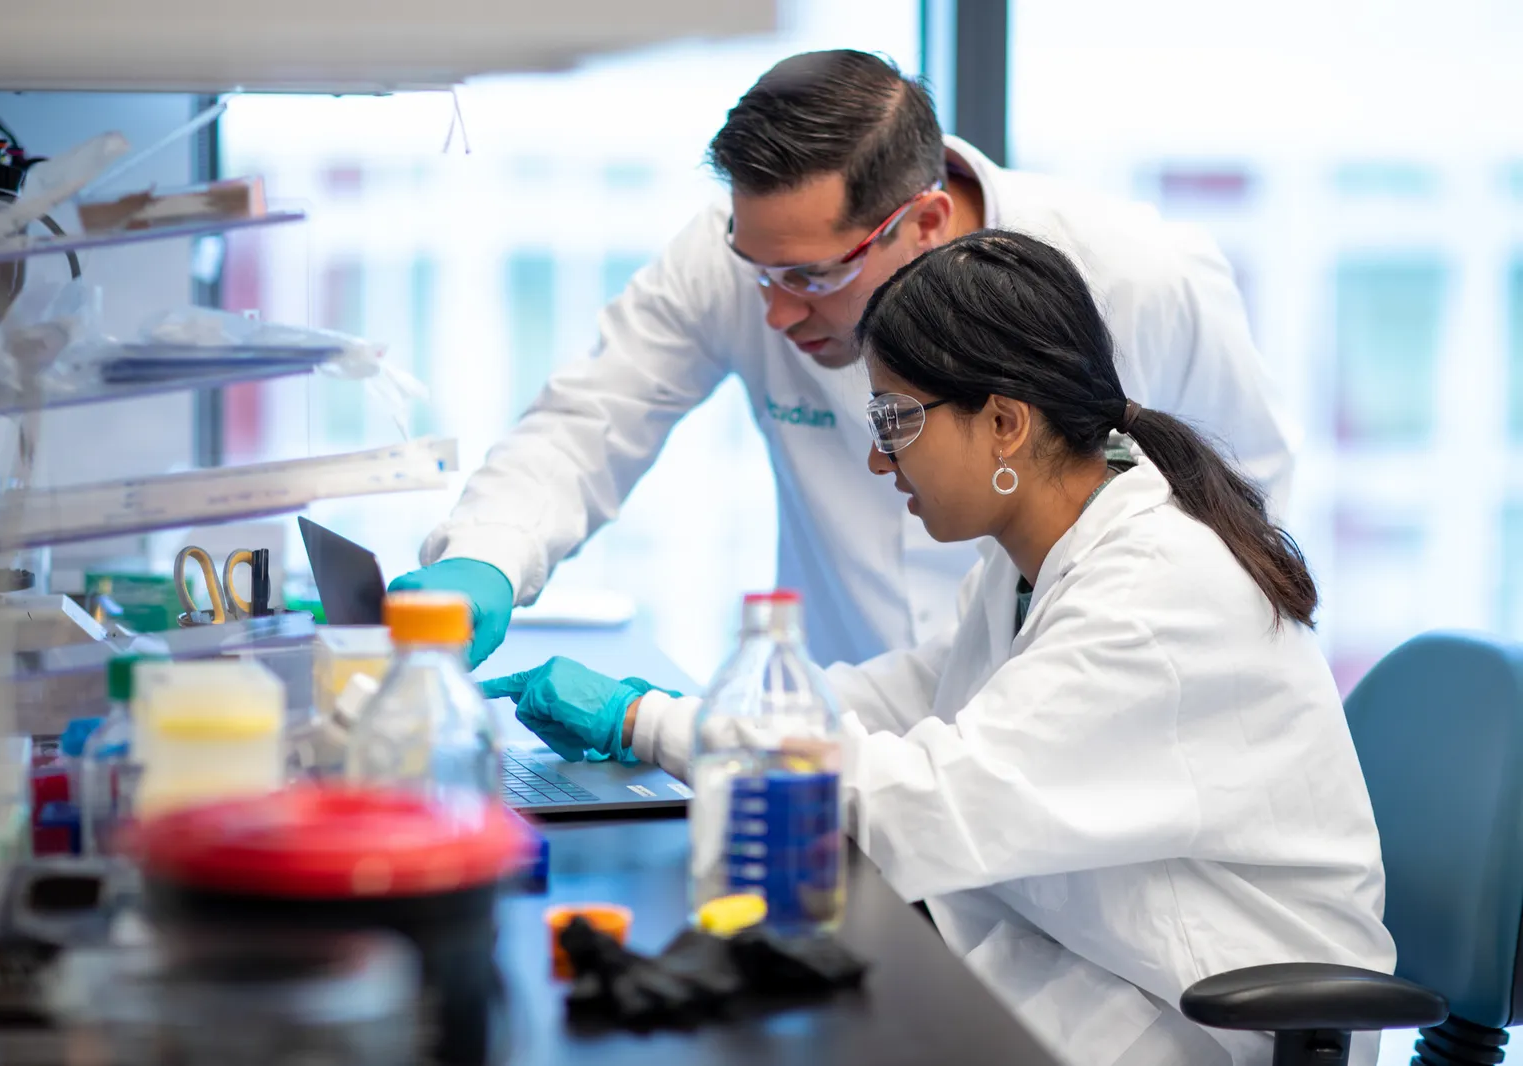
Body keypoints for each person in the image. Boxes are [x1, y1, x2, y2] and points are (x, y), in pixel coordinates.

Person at [481, 231, 1393, 1066]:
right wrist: (693, 716)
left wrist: (648, 723)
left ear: (1004, 423)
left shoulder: (1152, 593)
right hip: (1085, 946)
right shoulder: (1051, 549)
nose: (880, 461)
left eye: (896, 422)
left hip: (1197, 1005)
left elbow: (919, 808)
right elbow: (907, 697)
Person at [392, 49, 1299, 669]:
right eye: (758, 272)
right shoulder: (748, 256)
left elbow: (1242, 513)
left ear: (926, 220)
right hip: (848, 732)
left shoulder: (1137, 277)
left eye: (812, 277)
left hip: (1073, 738)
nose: (777, 310)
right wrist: (484, 559)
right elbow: (587, 424)